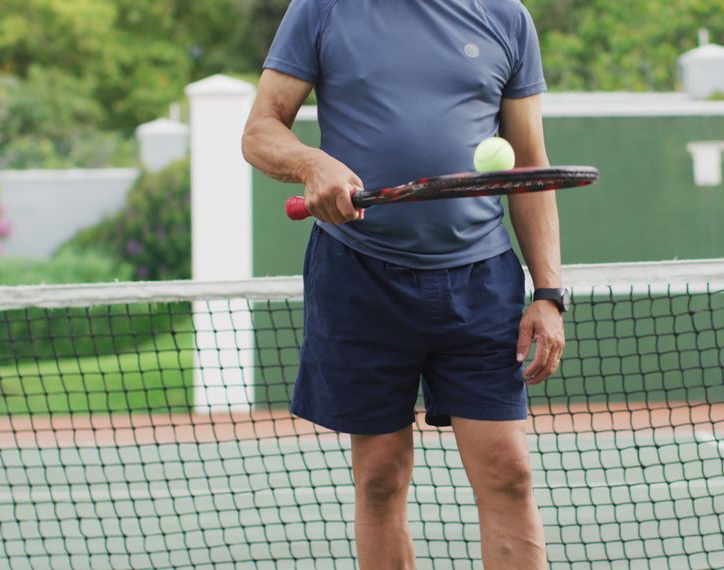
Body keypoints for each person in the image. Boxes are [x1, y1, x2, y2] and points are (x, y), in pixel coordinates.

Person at [241, 1, 565, 568]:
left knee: (509, 474)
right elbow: (259, 131)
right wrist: (312, 164)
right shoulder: (321, 9)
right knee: (380, 478)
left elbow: (530, 168)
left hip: (481, 282)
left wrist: (548, 293)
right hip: (357, 275)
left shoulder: (505, 16)